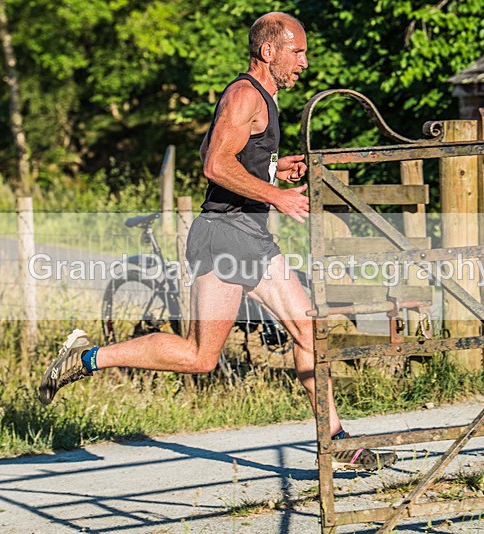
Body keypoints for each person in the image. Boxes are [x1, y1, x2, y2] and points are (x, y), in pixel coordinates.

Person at [38, 11, 396, 471]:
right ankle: (85, 358)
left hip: (249, 235)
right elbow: (214, 167)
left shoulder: (260, 97)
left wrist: (272, 167)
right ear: (269, 51)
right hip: (223, 237)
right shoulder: (246, 94)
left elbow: (218, 154)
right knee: (200, 355)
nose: (304, 62)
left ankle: (337, 439)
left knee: (308, 327)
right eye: (298, 51)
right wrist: (278, 197)